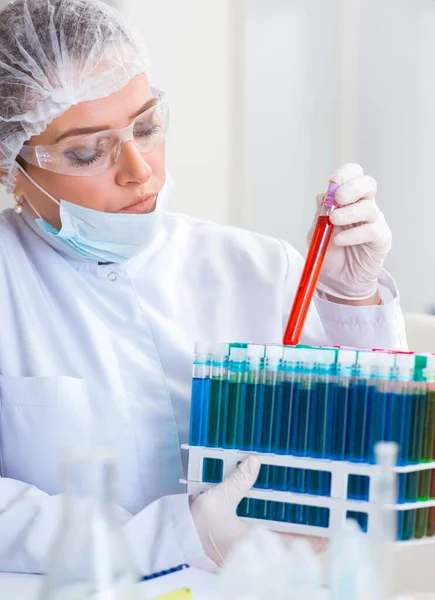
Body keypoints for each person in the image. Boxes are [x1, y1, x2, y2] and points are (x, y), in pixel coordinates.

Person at [0, 0, 406, 577]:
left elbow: (376, 466)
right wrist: (177, 536)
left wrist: (351, 301)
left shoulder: (258, 268)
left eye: (145, 126)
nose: (138, 170)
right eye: (86, 151)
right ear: (8, 163)